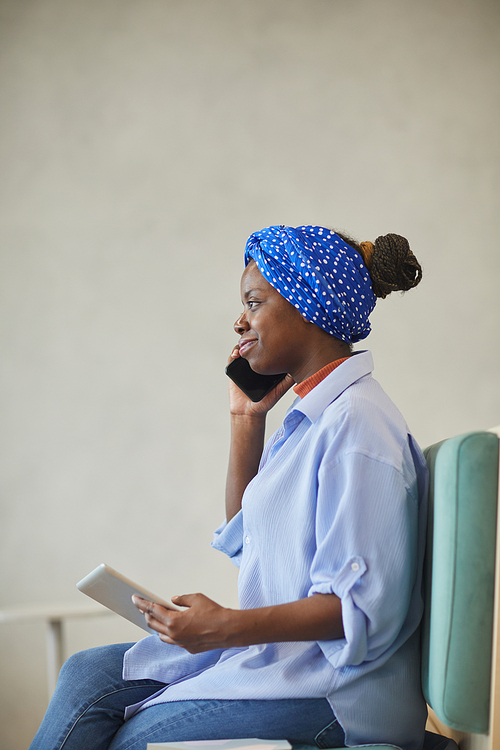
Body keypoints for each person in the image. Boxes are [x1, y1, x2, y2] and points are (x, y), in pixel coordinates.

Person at [29, 225, 427, 750]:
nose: (239, 321)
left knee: (133, 742)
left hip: (337, 695)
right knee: (87, 676)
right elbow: (251, 538)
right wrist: (246, 419)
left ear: (307, 305)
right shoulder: (313, 418)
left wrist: (226, 628)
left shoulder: (357, 428)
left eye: (254, 302)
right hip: (291, 663)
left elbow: (355, 611)